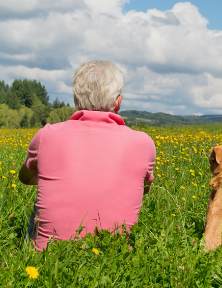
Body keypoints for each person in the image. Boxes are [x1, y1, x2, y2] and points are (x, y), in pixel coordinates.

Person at [18, 60, 156, 250]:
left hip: (48, 258)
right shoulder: (143, 142)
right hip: (116, 256)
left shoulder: (47, 134)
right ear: (118, 102)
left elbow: (24, 178)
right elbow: (144, 188)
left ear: (76, 100)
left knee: (39, 205)